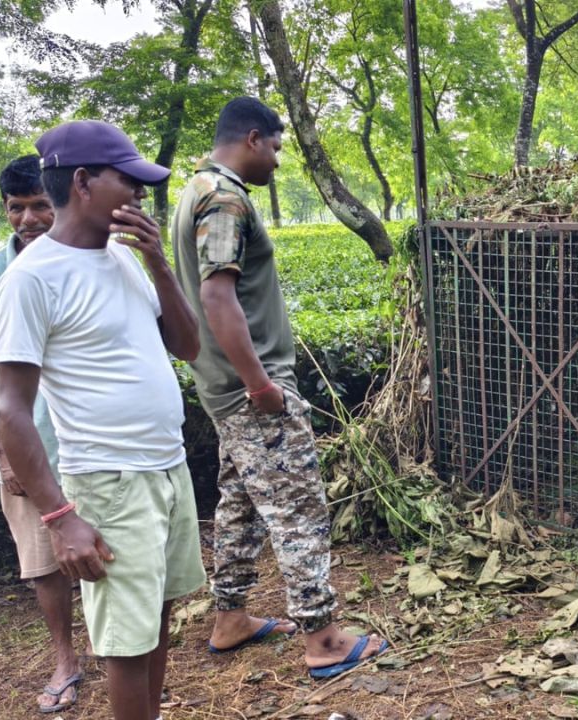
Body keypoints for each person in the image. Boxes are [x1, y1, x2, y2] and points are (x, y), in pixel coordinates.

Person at [0, 120, 206, 720]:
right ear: (83, 182)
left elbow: (187, 348)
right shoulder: (31, 279)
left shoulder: (122, 257)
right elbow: (11, 406)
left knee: (157, 618)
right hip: (110, 483)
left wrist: (159, 263)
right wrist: (61, 518)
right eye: (129, 181)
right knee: (125, 644)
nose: (140, 194)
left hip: (166, 469)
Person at [171, 96, 387, 678]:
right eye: (277, 147)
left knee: (240, 505)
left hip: (222, 388)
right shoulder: (223, 198)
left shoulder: (194, 191)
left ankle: (230, 619)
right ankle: (323, 640)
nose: (278, 160)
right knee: (299, 510)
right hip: (250, 389)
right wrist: (260, 383)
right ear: (252, 138)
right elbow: (217, 296)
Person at [0, 155, 82, 714]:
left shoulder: (87, 259)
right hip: (30, 442)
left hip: (89, 437)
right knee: (43, 561)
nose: (29, 219)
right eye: (17, 209)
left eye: (40, 206)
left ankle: (121, 650)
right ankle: (66, 659)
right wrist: (3, 453)